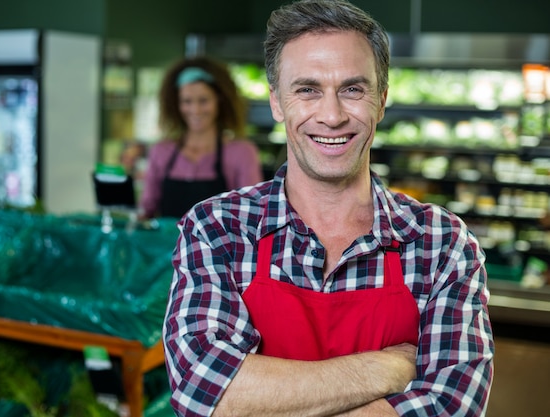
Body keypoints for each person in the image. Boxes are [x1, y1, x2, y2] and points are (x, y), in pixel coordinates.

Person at [163, 0, 494, 416]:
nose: (333, 115)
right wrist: (387, 368)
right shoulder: (217, 229)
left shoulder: (442, 244)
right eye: (307, 90)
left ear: (382, 99)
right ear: (277, 103)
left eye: (353, 89)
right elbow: (206, 393)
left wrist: (264, 397)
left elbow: (451, 406)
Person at [139, 56, 264, 219]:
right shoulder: (161, 151)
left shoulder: (241, 153)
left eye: (203, 101)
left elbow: (253, 215)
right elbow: (146, 211)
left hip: (220, 245)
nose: (195, 110)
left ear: (219, 100)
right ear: (176, 104)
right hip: (166, 245)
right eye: (187, 101)